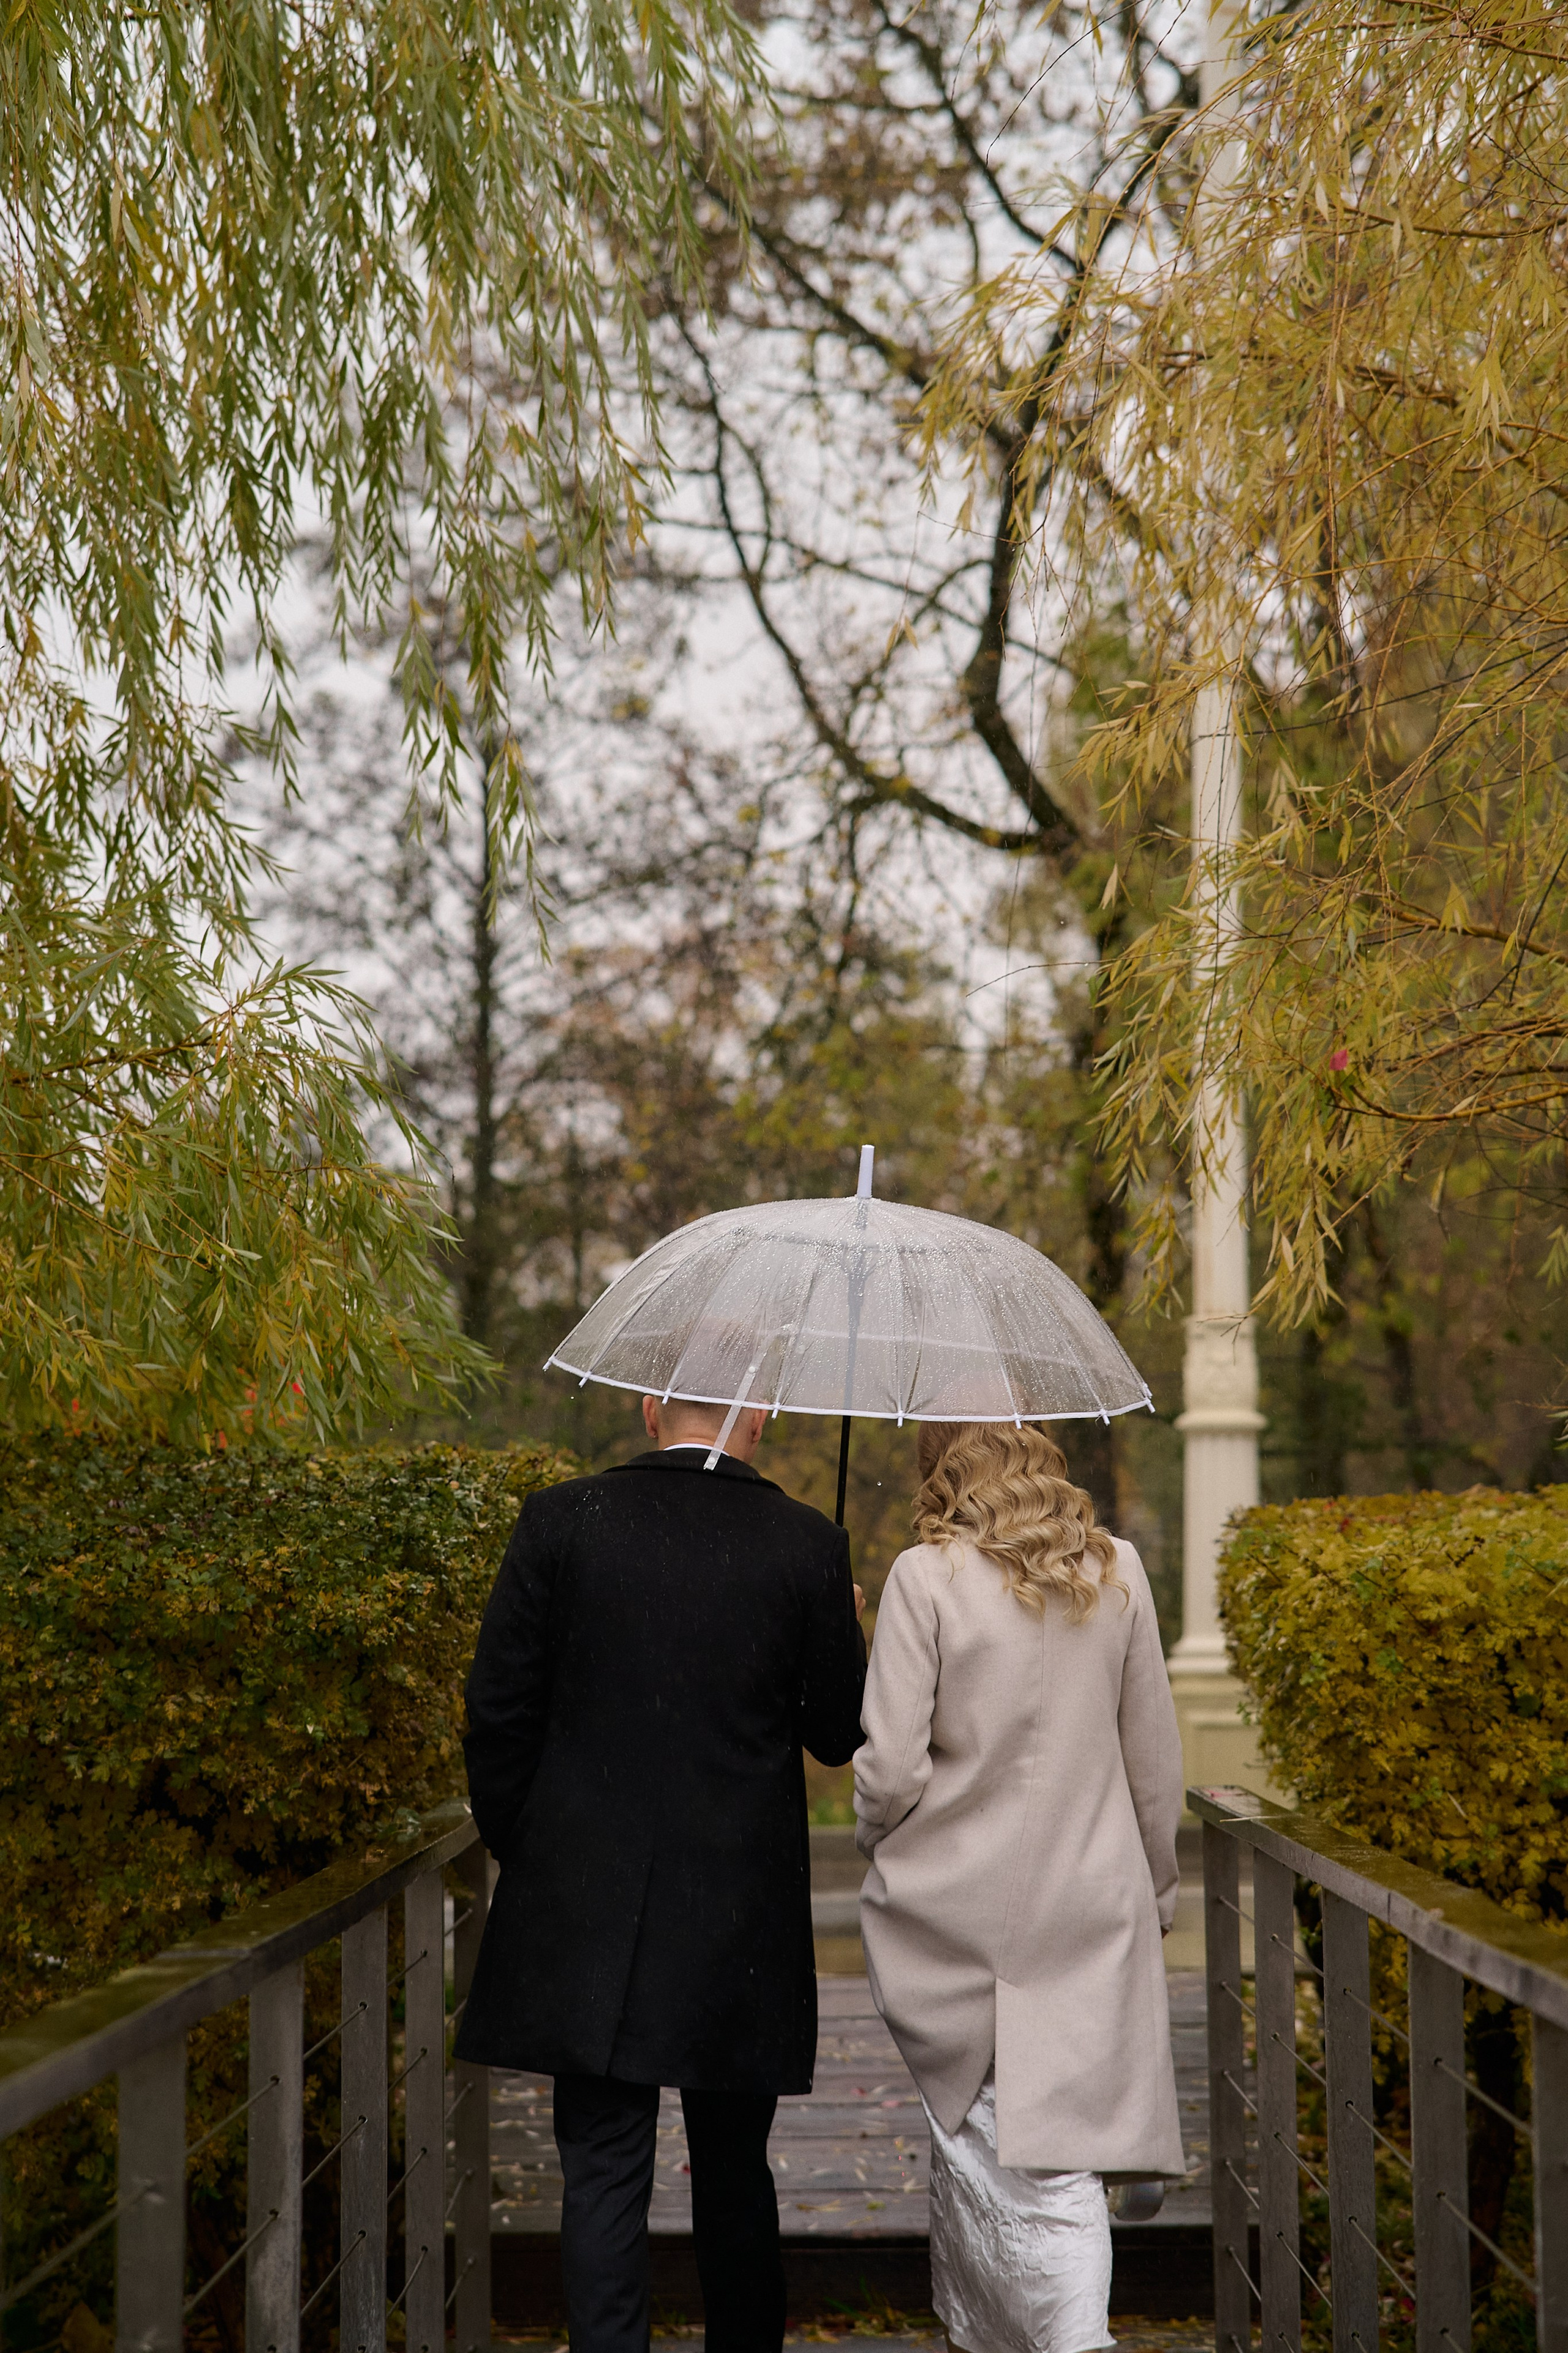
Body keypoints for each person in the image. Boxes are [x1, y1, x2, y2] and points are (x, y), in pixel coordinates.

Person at [456, 1392, 867, 2353]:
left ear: (650, 1407)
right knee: (734, 2170)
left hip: (585, 1908)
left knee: (600, 2169)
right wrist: (841, 1626)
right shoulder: (805, 1542)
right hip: (738, 1919)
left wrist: (545, 1852)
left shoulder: (563, 1521)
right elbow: (837, 1733)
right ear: (759, 1410)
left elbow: (497, 1712)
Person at [854, 1421, 1185, 2353]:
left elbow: (888, 1772)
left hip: (958, 1909)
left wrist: (880, 1843)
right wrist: (1154, 1890)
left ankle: (1075, 2341)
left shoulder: (926, 1577)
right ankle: (991, 2331)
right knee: (1031, 2143)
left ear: (940, 1467)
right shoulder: (1116, 1570)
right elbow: (1153, 1759)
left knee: (1019, 2146)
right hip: (1090, 1902)